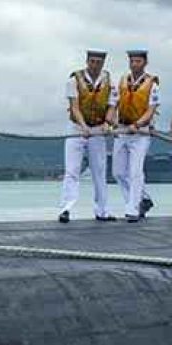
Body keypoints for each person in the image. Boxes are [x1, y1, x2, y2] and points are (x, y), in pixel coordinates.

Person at [59, 50, 117, 223]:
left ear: (103, 63)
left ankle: (102, 211)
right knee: (72, 170)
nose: (95, 65)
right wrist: (83, 126)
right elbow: (74, 106)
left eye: (98, 62)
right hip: (77, 128)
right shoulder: (73, 80)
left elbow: (112, 106)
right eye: (92, 61)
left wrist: (108, 123)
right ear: (87, 61)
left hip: (98, 128)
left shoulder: (109, 82)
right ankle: (66, 208)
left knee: (99, 170)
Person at [110, 49, 158, 223]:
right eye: (132, 61)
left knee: (135, 172)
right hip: (122, 130)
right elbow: (113, 104)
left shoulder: (152, 83)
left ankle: (133, 209)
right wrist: (111, 121)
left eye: (138, 61)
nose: (134, 64)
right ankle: (142, 199)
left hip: (140, 133)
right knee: (118, 172)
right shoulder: (122, 80)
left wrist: (137, 125)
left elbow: (151, 110)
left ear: (145, 63)